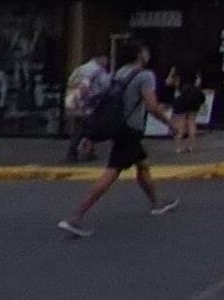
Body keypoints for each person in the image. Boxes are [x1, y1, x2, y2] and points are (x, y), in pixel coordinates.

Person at [58, 39, 180, 238]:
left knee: (142, 165)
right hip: (130, 130)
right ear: (140, 55)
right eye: (145, 51)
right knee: (111, 173)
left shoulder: (118, 74)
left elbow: (104, 102)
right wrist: (170, 123)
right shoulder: (145, 76)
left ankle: (157, 204)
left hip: (119, 127)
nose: (147, 54)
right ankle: (75, 218)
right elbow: (152, 106)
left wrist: (91, 135)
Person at [62, 50, 111, 163]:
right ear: (100, 58)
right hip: (85, 103)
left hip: (73, 101)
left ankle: (89, 151)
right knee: (83, 129)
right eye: (106, 59)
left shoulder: (81, 68)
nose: (107, 62)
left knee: (84, 127)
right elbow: (94, 86)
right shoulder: (96, 70)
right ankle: (73, 153)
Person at [170, 70, 205, 154]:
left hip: (182, 102)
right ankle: (191, 147)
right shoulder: (196, 85)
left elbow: (174, 85)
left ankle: (178, 148)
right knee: (192, 123)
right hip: (194, 102)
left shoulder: (180, 77)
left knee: (181, 126)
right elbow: (199, 87)